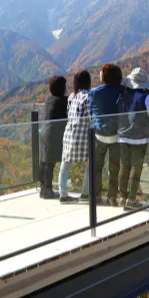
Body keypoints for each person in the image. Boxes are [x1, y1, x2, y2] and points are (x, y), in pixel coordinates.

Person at [116, 68, 149, 210]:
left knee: (124, 166)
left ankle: (122, 197)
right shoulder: (146, 97)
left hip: (123, 135)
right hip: (139, 138)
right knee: (136, 166)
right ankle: (132, 198)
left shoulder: (123, 95)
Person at [88, 63, 124, 205]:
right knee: (114, 168)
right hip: (117, 135)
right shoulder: (123, 90)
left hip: (99, 134)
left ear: (105, 75)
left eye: (101, 72)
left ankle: (96, 195)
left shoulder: (95, 92)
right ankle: (112, 197)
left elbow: (91, 109)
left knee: (97, 167)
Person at [58, 70, 92, 204]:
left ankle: (63, 194)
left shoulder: (72, 96)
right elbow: (91, 117)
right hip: (83, 136)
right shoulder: (88, 97)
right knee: (90, 163)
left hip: (68, 134)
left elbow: (68, 113)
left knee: (65, 164)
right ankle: (85, 193)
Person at [39, 76, 68, 199]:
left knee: (44, 161)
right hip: (54, 133)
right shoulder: (64, 100)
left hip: (44, 131)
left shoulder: (48, 98)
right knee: (50, 163)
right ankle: (48, 190)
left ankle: (43, 188)